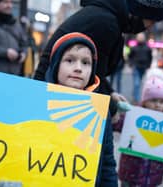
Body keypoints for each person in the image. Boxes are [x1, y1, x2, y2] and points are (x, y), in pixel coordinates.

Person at [34, 0, 163, 117]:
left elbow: (95, 70)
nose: (150, 27)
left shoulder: (107, 16)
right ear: (141, 12)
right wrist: (112, 110)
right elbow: (95, 78)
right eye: (152, 20)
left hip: (52, 89)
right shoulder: (107, 23)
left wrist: (110, 93)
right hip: (50, 93)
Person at [45, 32, 118, 187]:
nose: (78, 68)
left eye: (86, 63)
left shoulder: (100, 112)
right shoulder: (38, 103)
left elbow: (107, 164)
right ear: (56, 65)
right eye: (70, 60)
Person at [114, 76, 163, 187]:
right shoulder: (133, 117)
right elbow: (115, 124)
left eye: (162, 101)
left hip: (153, 178)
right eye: (153, 100)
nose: (158, 105)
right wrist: (117, 113)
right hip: (129, 175)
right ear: (144, 101)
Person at [128, 32, 152, 103]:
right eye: (139, 37)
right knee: (137, 83)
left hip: (143, 67)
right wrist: (131, 64)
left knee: (138, 83)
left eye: (141, 37)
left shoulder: (148, 48)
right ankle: (136, 99)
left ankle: (135, 95)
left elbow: (150, 57)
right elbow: (130, 57)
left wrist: (148, 65)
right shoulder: (134, 48)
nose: (140, 38)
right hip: (136, 67)